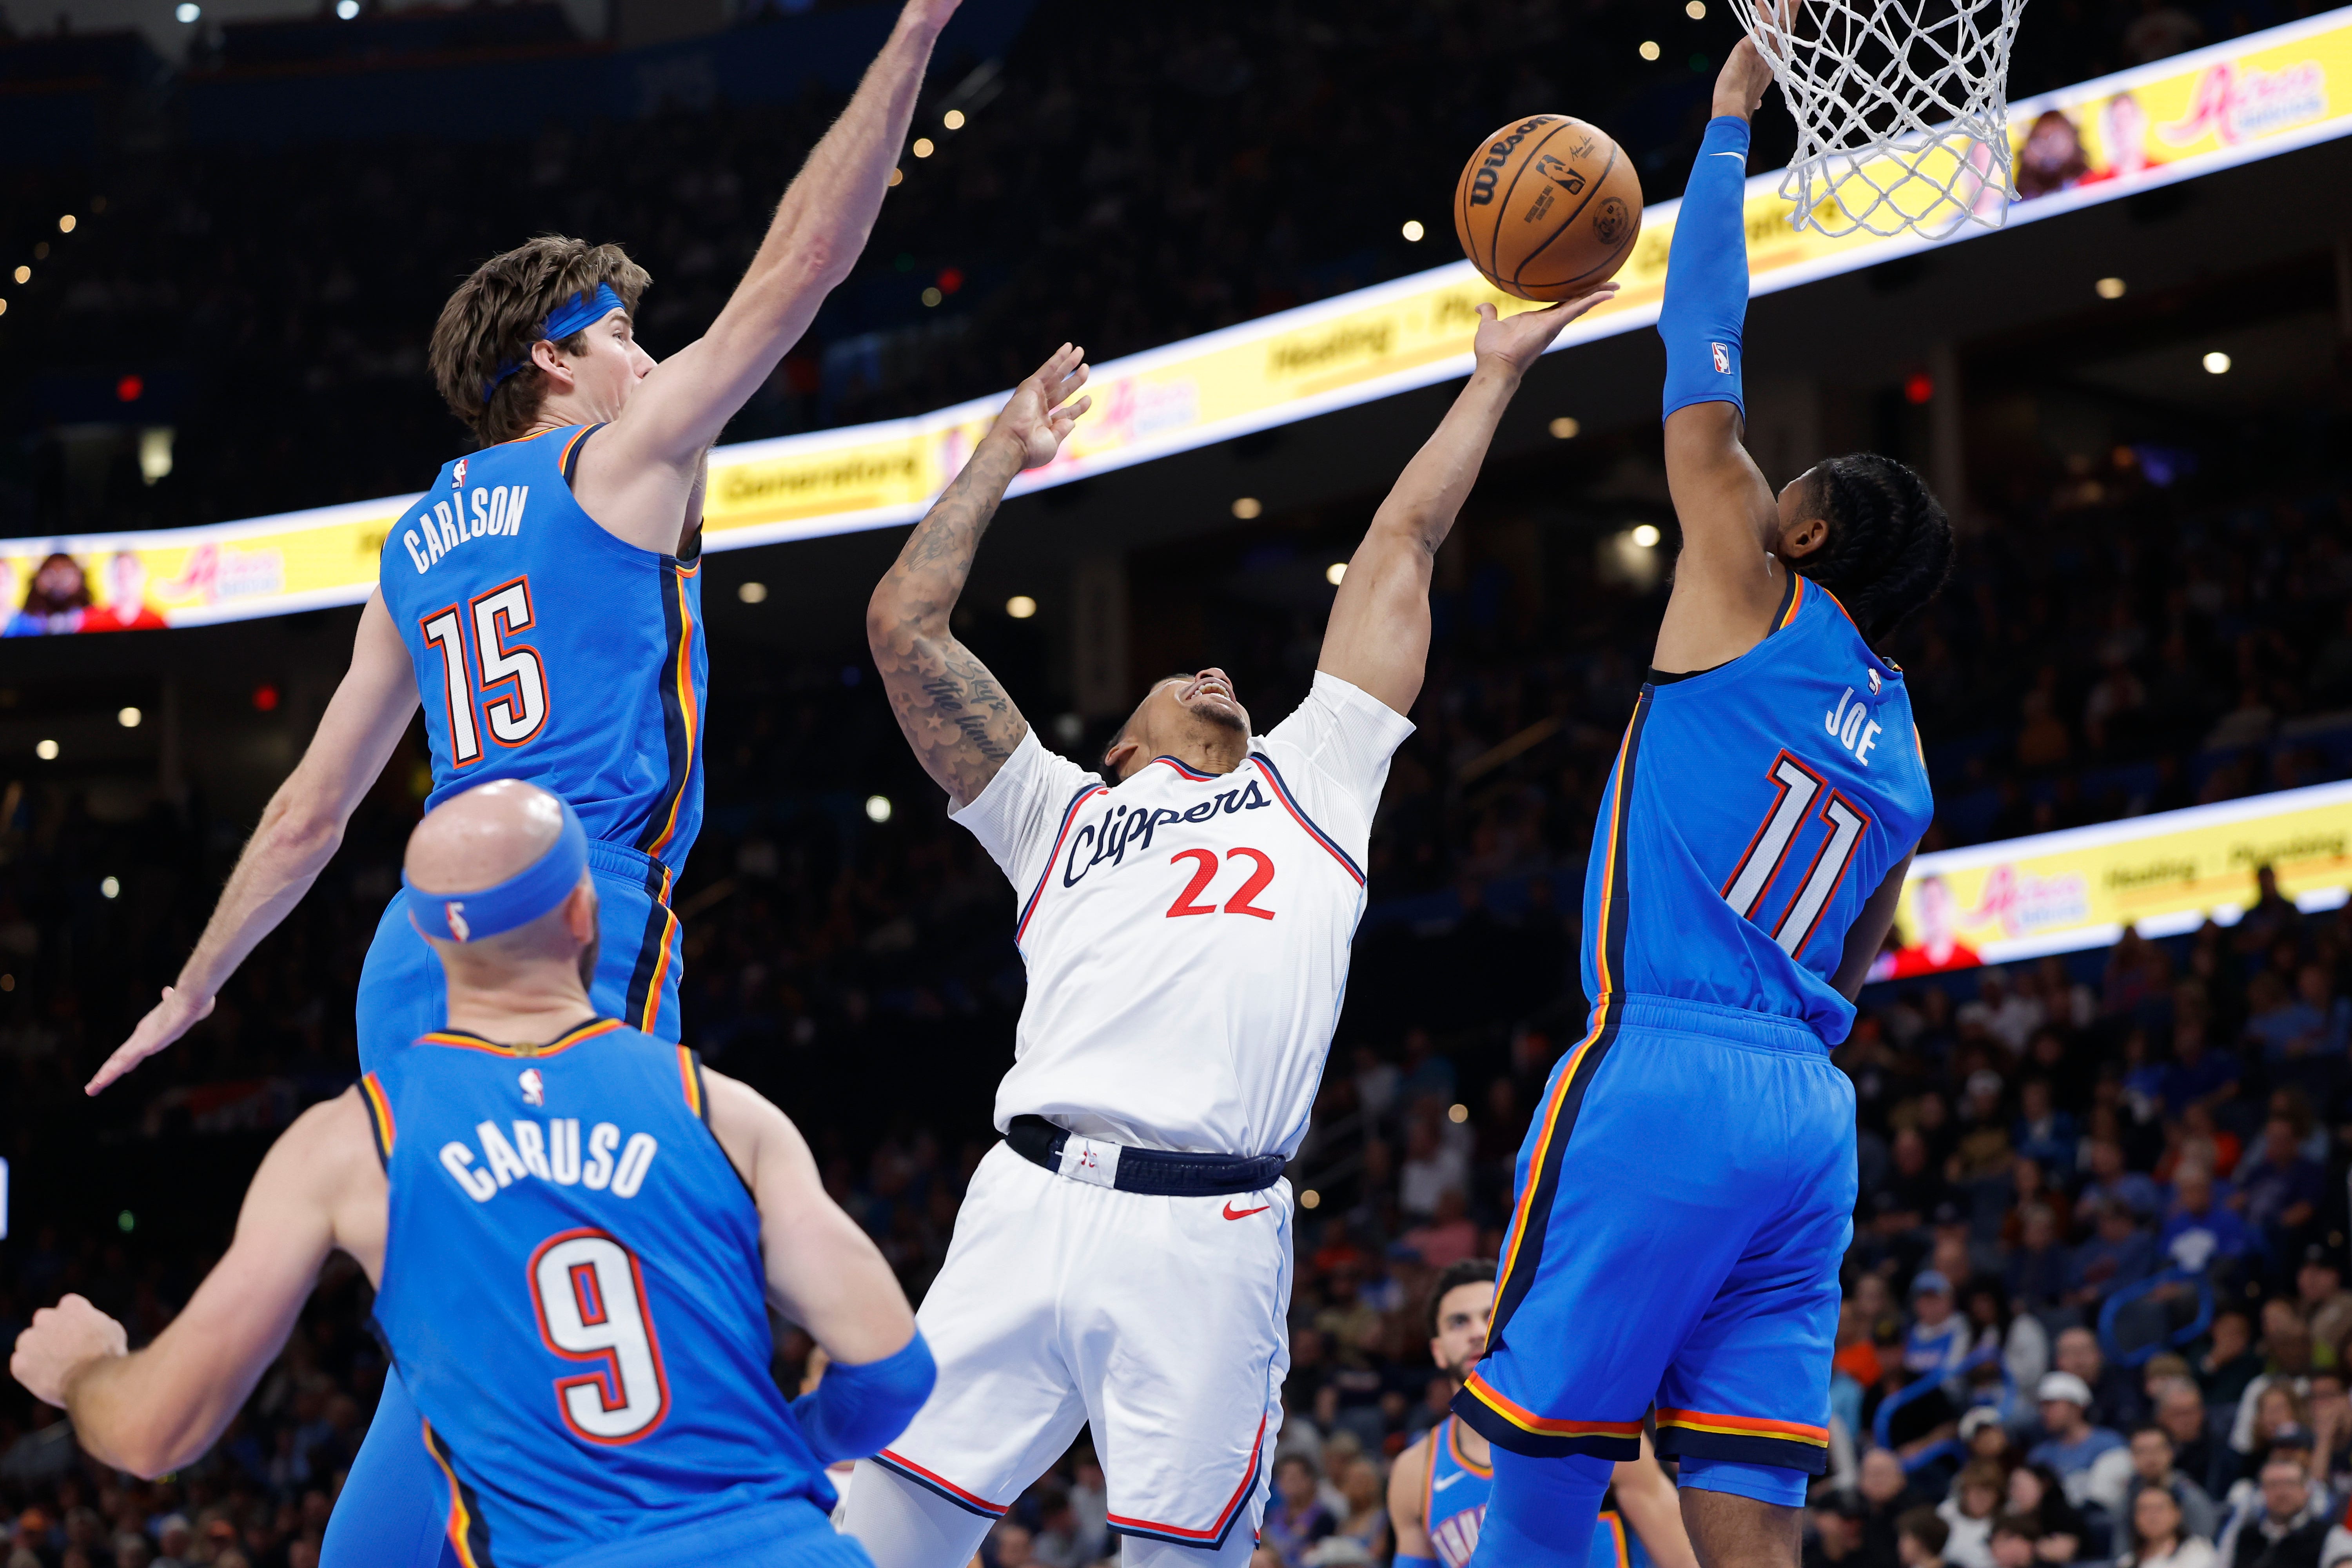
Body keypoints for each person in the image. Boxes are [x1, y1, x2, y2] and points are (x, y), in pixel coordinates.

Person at [78, 3, 964, 1561]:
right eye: (624, 335)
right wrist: (914, 34)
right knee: (619, 1271)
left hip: (411, 947)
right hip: (573, 913)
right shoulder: (613, 461)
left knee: (457, 1309)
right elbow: (806, 267)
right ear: (558, 359)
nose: (649, 357)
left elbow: (305, 815)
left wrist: (195, 983)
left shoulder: (412, 546)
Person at [844, 267, 1621, 1563]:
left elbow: (1401, 545)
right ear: (1118, 744)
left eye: (1222, 671)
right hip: (1027, 1201)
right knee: (868, 1539)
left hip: (1207, 1232)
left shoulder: (1314, 775)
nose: (1214, 670)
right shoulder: (1052, 813)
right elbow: (902, 623)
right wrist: (1002, 453)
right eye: (1177, 673)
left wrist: (1496, 377)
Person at [1451, 34, 1953, 1568]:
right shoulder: (1906, 750)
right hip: (1808, 1109)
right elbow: (1864, 951)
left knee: (1531, 1456)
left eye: (1798, 480)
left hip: (1666, 1063)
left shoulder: (1750, 588)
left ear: (1807, 532)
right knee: (1752, 1506)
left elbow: (1702, 353)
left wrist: (1728, 124)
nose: (1768, 479)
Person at [10, 779, 933, 1566]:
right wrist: (798, 1435)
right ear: (585, 913)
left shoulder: (352, 1144)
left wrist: (86, 1367)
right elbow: (895, 1373)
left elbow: (155, 1431)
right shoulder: (724, 1111)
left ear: (423, 934)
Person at [1387, 1259, 1698, 1568]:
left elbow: (1683, 1559)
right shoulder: (1414, 1471)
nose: (1478, 1332)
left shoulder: (1592, 1428)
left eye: (1490, 1316)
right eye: (1459, 1323)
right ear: (1438, 1351)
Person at [2029, 1372, 2131, 1510]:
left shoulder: (2110, 1444)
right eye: (2043, 1406)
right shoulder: (2040, 1455)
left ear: (2077, 1407)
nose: (2044, 1412)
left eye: (2052, 1405)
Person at [2218, 1457, 2328, 1568]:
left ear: (2306, 1489)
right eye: (2273, 1485)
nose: (2282, 1493)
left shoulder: (2327, 1537)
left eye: (2290, 1484)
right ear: (2262, 1492)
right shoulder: (2245, 1535)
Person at [2130, 1425, 2221, 1542]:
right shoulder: (2130, 1494)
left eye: (2157, 1449)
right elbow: (2122, 1545)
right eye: (2142, 1451)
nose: (2150, 1458)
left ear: (2171, 1452)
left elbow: (2206, 1540)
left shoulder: (2187, 1494)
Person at [2120, 1483, 2218, 1568]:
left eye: (2159, 1509)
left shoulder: (2197, 1550)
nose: (2151, 1517)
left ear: (2177, 1513)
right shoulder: (2128, 1562)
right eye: (2144, 1510)